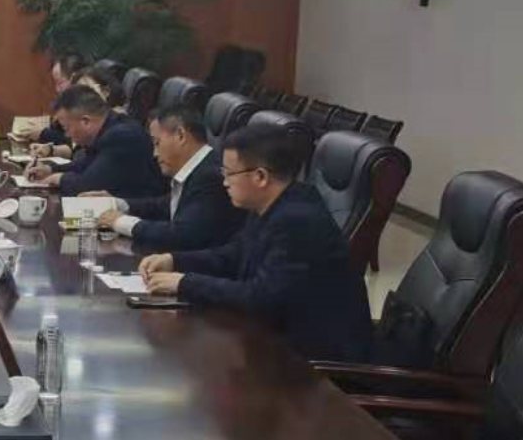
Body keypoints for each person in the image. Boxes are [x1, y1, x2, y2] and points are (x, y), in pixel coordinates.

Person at [140, 124, 373, 362]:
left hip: (315, 363)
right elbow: (233, 255)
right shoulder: (273, 203)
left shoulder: (297, 221)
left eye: (229, 173)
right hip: (277, 340)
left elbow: (262, 297)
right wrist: (174, 260)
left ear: (260, 176)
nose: (224, 182)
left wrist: (185, 283)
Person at [91, 104, 247, 251]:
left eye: (157, 143)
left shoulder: (211, 176)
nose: (155, 154)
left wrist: (121, 222)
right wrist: (120, 204)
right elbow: (167, 204)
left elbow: (183, 235)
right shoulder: (201, 168)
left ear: (180, 135)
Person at [25, 86, 167, 199]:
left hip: (143, 214)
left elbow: (87, 187)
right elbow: (87, 165)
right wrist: (50, 169)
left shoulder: (122, 136)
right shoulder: (109, 126)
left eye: (66, 128)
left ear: (85, 121)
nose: (67, 135)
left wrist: (59, 178)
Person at [30, 54, 86, 153]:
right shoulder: (67, 103)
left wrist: (43, 134)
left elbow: (76, 143)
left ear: (75, 78)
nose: (57, 89)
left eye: (60, 83)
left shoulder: (89, 105)